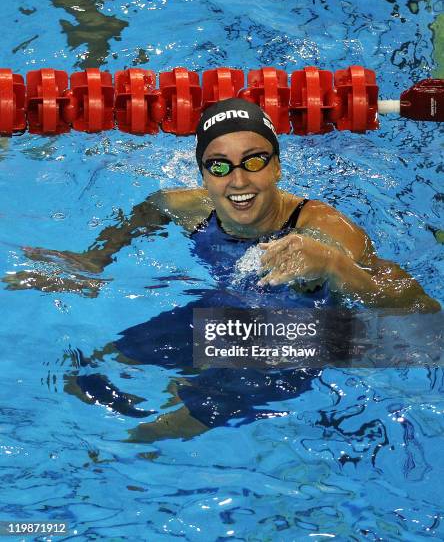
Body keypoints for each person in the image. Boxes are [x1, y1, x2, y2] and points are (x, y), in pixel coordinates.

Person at [3, 98, 440, 442]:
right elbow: (149, 209)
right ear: (205, 176)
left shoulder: (322, 228)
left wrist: (336, 267)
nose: (238, 181)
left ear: (277, 167)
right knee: (89, 378)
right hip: (227, 314)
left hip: (303, 341)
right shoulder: (187, 207)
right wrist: (95, 261)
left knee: (153, 432)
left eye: (254, 161)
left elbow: (422, 319)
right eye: (220, 165)